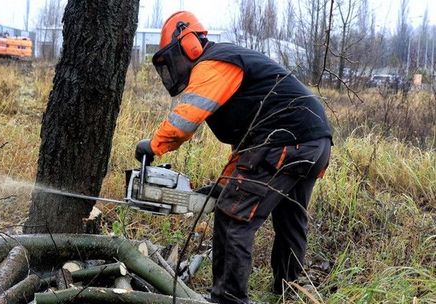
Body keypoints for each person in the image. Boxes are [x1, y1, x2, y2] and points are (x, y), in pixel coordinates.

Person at [135, 11, 332, 304]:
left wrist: (153, 145)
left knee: (233, 217)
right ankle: (288, 292)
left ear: (189, 46)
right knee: (290, 218)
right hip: (314, 143)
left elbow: (185, 119)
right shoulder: (230, 63)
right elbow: (248, 149)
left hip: (284, 142)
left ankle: (228, 299)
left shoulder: (213, 64)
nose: (172, 69)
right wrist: (225, 184)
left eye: (171, 60)